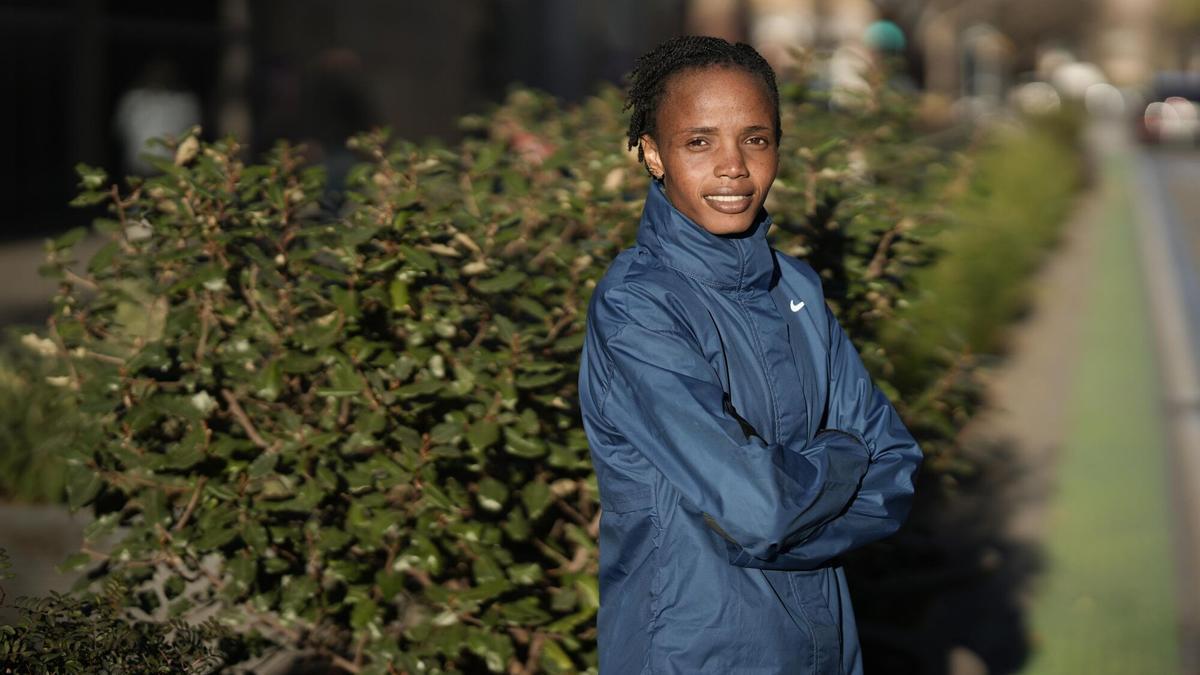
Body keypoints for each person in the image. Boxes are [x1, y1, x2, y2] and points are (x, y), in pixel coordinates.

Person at [578, 36, 923, 674]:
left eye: (756, 139)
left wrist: (783, 509)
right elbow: (757, 509)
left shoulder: (796, 288)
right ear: (653, 154)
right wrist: (845, 455)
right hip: (693, 654)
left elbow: (896, 468)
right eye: (700, 141)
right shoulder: (637, 307)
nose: (733, 167)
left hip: (825, 649)